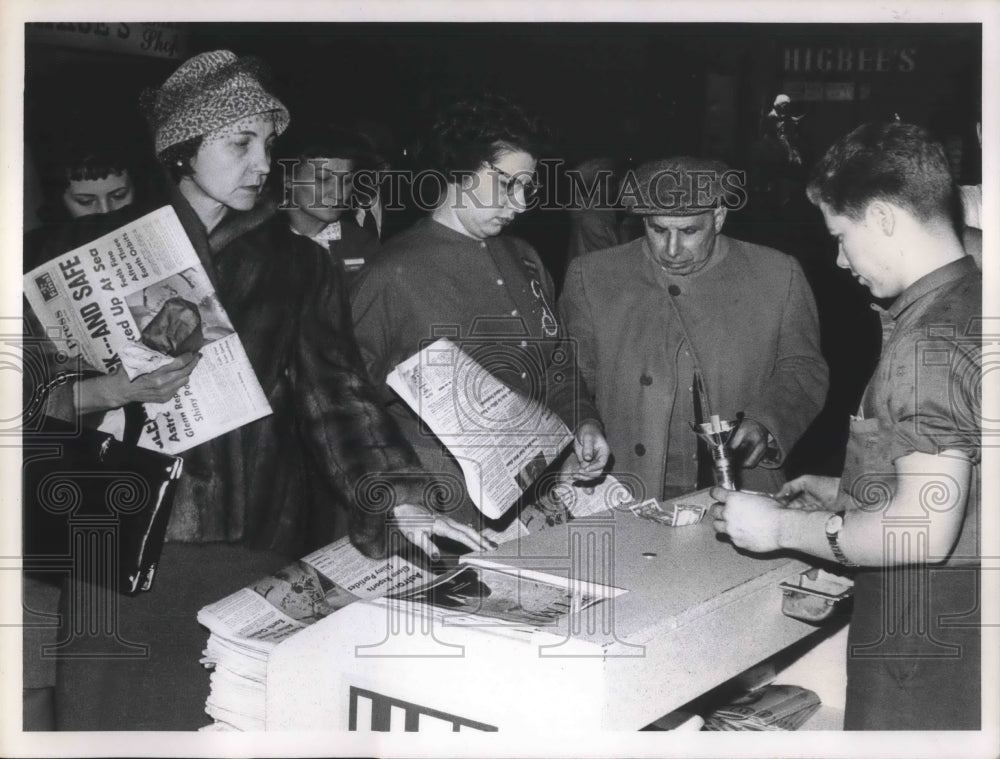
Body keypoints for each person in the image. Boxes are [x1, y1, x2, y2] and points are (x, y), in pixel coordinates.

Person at [26, 50, 486, 731]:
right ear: (182, 149)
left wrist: (396, 498)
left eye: (268, 145)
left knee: (219, 715)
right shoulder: (83, 249)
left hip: (248, 535)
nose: (263, 164)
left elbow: (339, 400)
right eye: (239, 143)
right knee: (106, 719)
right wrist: (108, 389)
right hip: (111, 528)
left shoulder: (296, 265)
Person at [711, 121, 981, 730]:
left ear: (884, 217)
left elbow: (922, 532)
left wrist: (781, 526)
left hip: (923, 623)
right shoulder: (975, 298)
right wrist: (850, 492)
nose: (838, 259)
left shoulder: (926, 339)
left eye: (841, 235)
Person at [351, 93, 610, 532]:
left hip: (532, 499)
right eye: (508, 184)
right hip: (437, 513)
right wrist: (396, 497)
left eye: (528, 186)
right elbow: (345, 411)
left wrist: (583, 421)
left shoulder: (525, 257)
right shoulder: (390, 274)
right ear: (459, 170)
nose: (522, 202)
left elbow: (557, 364)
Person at [558, 156, 828, 500]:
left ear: (718, 217)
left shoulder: (778, 274)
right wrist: (585, 422)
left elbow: (803, 368)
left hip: (740, 486)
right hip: (625, 484)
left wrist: (767, 422)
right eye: (657, 230)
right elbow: (568, 374)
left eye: (688, 232)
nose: (671, 250)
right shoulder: (593, 276)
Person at [276, 121, 381, 282]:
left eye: (347, 181)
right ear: (288, 178)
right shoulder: (254, 242)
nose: (338, 194)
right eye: (323, 179)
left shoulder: (363, 245)